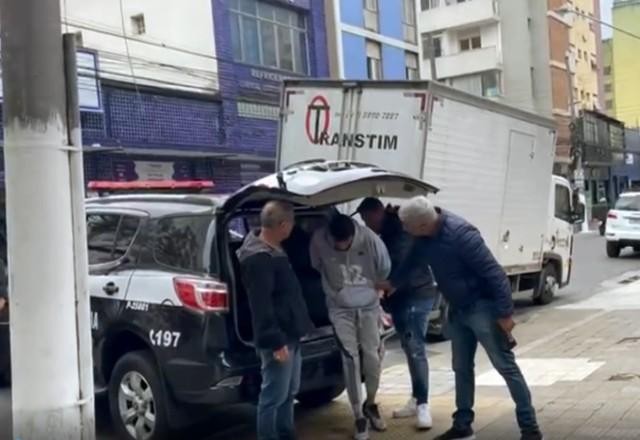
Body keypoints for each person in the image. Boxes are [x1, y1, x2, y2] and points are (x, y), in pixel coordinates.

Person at [379, 196, 543, 440]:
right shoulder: (423, 237)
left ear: (422, 224)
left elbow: (494, 274)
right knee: (461, 367)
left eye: (406, 225)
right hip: (457, 309)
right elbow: (412, 261)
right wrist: (392, 283)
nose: (403, 229)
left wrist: (505, 313)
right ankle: (463, 425)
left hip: (482, 309)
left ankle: (530, 430)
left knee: (505, 367)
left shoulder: (461, 236)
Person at [357, 197, 438, 429]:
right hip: (404, 296)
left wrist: (384, 285)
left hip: (416, 293)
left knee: (415, 348)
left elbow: (403, 266)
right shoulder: (388, 231)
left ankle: (423, 405)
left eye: (366, 218)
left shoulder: (400, 231)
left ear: (377, 213)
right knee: (410, 347)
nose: (365, 223)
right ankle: (416, 398)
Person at [237, 201, 314, 440]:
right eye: (291, 225)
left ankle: (286, 433)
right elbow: (261, 305)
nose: (292, 230)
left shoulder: (275, 250)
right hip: (278, 338)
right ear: (282, 225)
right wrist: (276, 341)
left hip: (291, 333)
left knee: (289, 391)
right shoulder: (258, 258)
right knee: (273, 396)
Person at [310, 214, 391, 440]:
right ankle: (358, 415)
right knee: (350, 358)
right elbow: (317, 265)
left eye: (344, 242)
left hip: (368, 307)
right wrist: (338, 292)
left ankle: (371, 403)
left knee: (372, 357)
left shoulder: (371, 240)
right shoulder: (319, 240)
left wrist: (372, 292)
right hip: (340, 308)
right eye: (336, 242)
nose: (340, 247)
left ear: (353, 235)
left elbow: (384, 269)